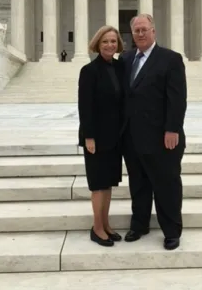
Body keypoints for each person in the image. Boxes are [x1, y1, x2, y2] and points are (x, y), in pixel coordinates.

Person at [120, 14, 187, 251]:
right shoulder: (125, 59)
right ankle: (139, 225)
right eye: (136, 30)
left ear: (153, 31)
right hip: (132, 138)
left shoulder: (170, 59)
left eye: (144, 30)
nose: (140, 34)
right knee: (138, 184)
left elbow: (177, 99)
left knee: (166, 184)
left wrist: (172, 129)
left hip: (162, 138)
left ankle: (171, 231)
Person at [78, 25, 124, 247]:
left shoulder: (119, 67)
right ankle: (96, 228)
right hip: (96, 137)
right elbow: (85, 107)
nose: (109, 45)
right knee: (98, 184)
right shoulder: (89, 71)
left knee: (108, 183)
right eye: (105, 41)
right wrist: (89, 137)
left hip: (114, 137)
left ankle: (105, 224)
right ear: (97, 44)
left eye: (113, 41)